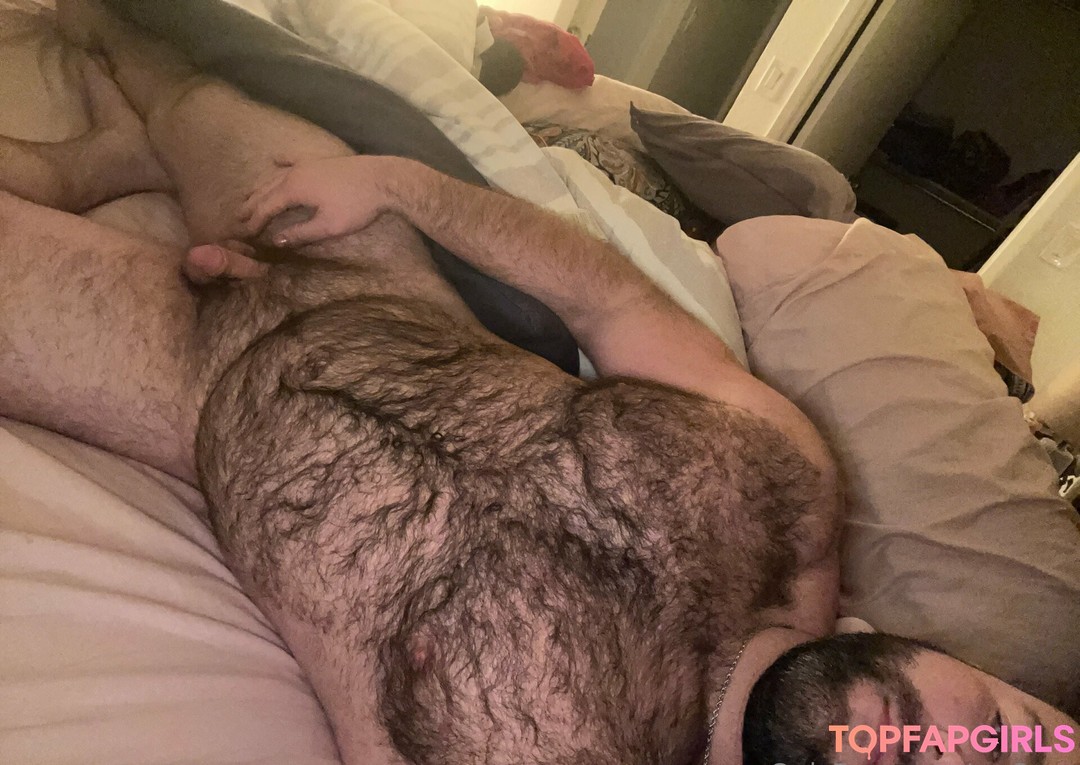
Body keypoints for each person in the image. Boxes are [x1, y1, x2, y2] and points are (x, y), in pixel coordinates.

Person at [0, 3, 1072, 765]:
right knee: (155, 59)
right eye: (1006, 740)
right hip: (368, 268)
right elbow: (608, 300)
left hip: (178, 382)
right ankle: (119, 147)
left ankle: (105, 167)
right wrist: (399, 186)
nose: (942, 752)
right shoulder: (784, 488)